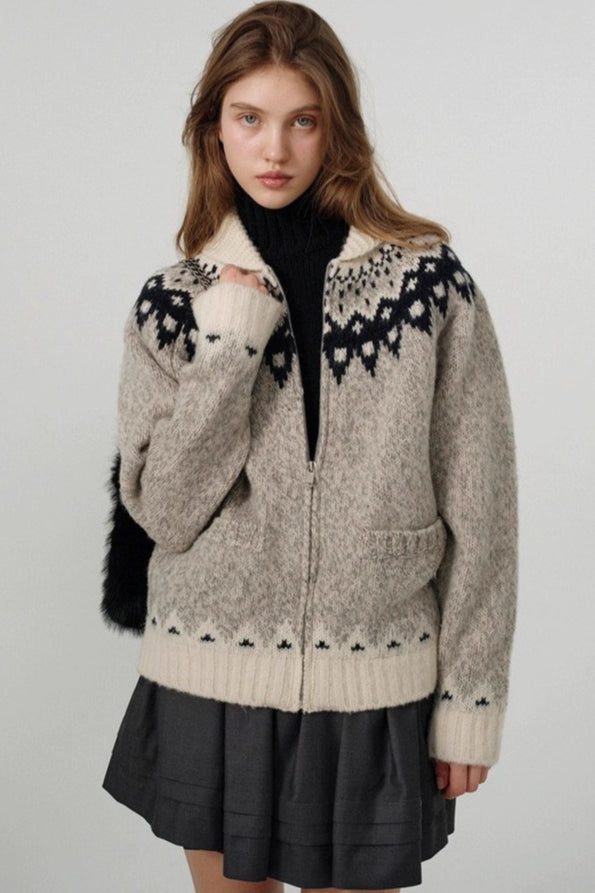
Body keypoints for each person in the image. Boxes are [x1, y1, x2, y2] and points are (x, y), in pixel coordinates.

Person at [101, 2, 518, 892]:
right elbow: (164, 509)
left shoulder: (430, 287)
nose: (274, 149)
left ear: (338, 129)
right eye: (249, 118)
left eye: (302, 121)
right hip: (210, 675)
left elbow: (484, 508)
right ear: (213, 127)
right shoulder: (172, 303)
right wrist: (230, 342)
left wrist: (471, 701)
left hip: (375, 678)